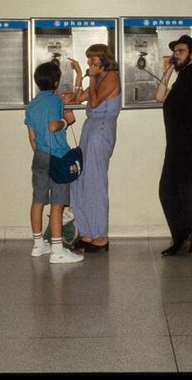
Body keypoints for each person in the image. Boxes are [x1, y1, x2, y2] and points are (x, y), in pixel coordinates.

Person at [155, 35, 192, 256]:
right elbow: (160, 96)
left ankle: (183, 237)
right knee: (179, 191)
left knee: (170, 190)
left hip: (187, 145)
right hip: (179, 145)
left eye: (181, 51)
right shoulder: (185, 75)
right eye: (175, 51)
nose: (176, 55)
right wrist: (168, 70)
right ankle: (185, 237)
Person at [62, 44, 120, 253]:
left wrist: (92, 77)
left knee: (95, 182)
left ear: (103, 60)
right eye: (88, 60)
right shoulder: (99, 77)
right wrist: (78, 78)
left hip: (101, 130)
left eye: (93, 60)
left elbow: (94, 102)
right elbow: (81, 98)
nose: (90, 64)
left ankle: (100, 237)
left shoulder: (111, 76)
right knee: (80, 179)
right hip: (90, 128)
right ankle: (87, 233)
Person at [26, 61, 84, 264]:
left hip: (40, 155)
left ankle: (38, 244)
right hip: (57, 156)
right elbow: (52, 126)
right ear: (57, 82)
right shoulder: (55, 101)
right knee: (58, 204)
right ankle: (58, 249)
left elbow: (32, 135)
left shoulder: (32, 103)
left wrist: (40, 153)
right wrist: (67, 121)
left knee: (38, 200)